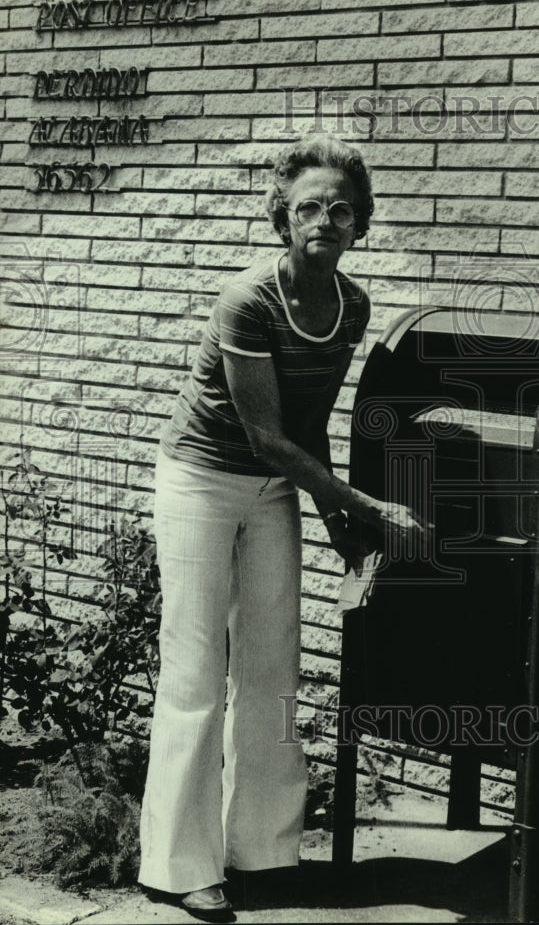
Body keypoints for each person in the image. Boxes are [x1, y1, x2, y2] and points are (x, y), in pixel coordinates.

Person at [138, 134, 427, 922]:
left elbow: (309, 424)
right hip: (201, 481)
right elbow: (265, 433)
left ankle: (259, 854)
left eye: (342, 209)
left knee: (271, 666)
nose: (325, 220)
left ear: (359, 223)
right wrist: (367, 508)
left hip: (274, 489)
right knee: (196, 668)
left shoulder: (351, 305)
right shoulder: (246, 300)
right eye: (309, 207)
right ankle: (177, 866)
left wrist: (337, 518)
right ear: (281, 218)